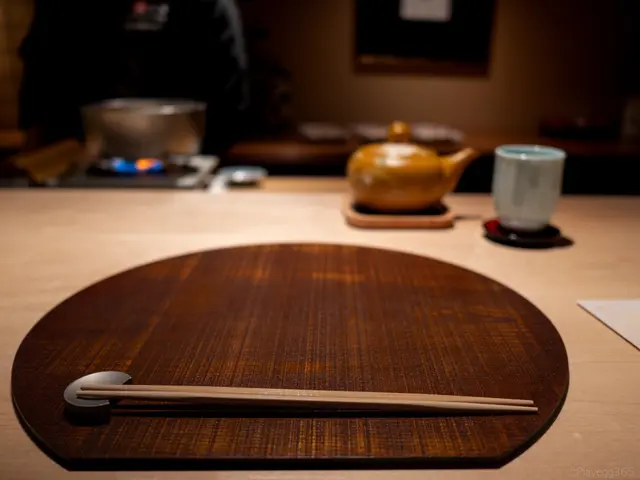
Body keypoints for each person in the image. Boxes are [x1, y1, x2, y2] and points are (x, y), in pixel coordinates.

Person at [18, 0, 249, 155]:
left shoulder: (208, 7)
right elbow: (37, 87)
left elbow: (231, 101)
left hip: (188, 156)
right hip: (75, 159)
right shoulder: (63, 7)